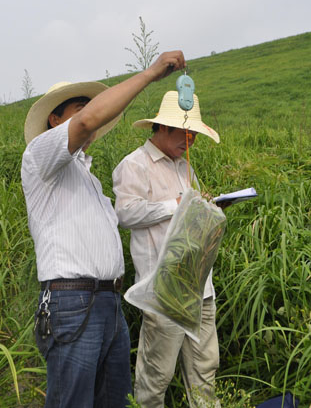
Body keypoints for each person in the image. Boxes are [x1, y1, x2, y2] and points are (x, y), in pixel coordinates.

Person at [20, 50, 186, 408]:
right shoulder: (40, 155)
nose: (87, 114)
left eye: (88, 106)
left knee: (114, 401)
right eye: (78, 107)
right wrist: (151, 73)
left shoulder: (86, 177)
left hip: (107, 302)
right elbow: (85, 124)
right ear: (54, 119)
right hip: (72, 301)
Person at [112, 90, 222, 408]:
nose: (190, 140)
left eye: (194, 135)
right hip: (165, 291)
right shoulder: (135, 165)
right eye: (184, 132)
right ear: (161, 128)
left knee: (205, 370)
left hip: (200, 286)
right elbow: (126, 213)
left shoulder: (184, 167)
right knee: (156, 377)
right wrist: (174, 205)